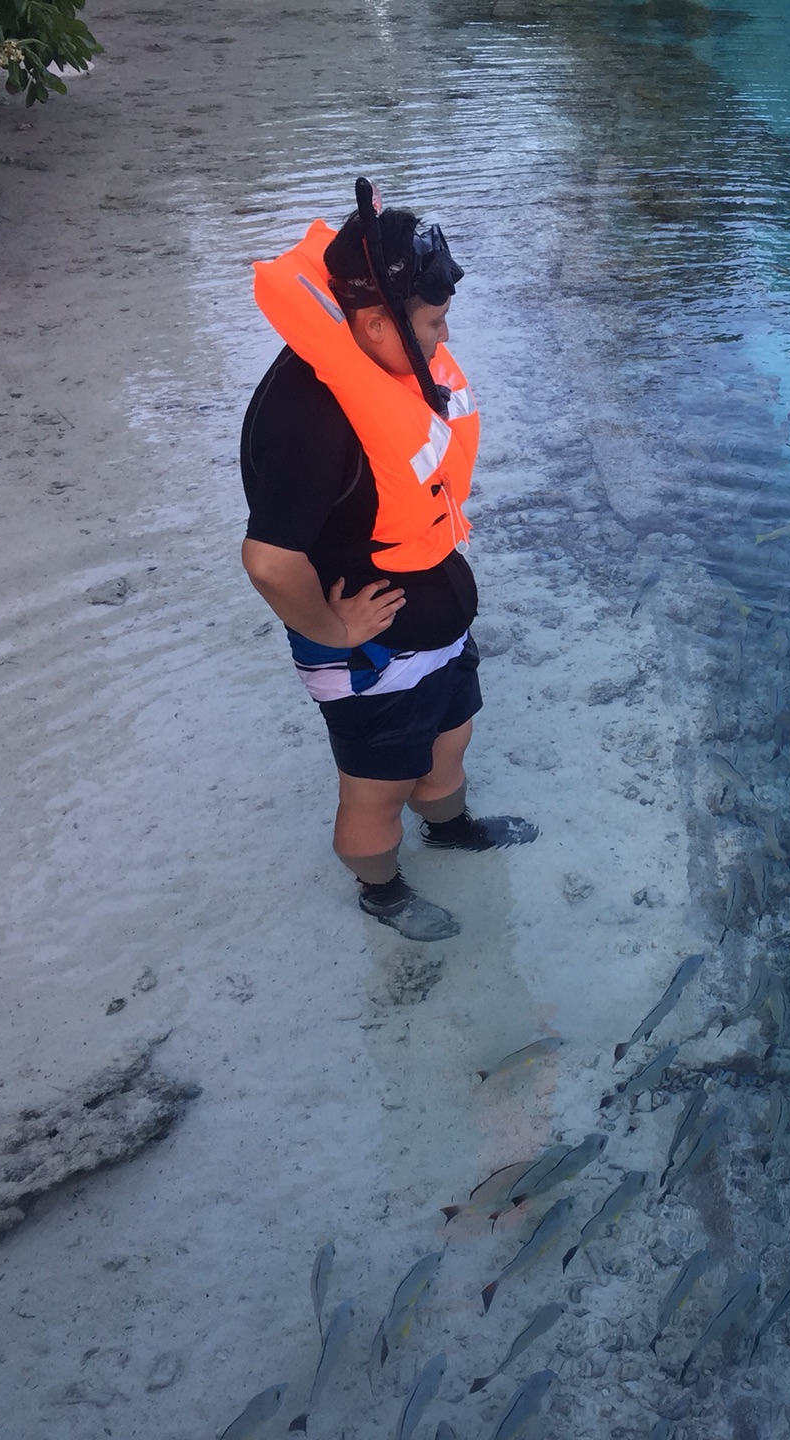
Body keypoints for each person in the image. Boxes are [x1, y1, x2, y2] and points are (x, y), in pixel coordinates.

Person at [239, 180, 535, 941]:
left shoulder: (378, 368)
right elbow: (270, 560)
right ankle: (382, 891)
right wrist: (335, 632)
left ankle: (449, 827)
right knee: (376, 790)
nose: (442, 341)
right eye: (433, 324)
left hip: (432, 626)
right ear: (374, 322)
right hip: (370, 651)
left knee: (448, 743)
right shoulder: (311, 420)